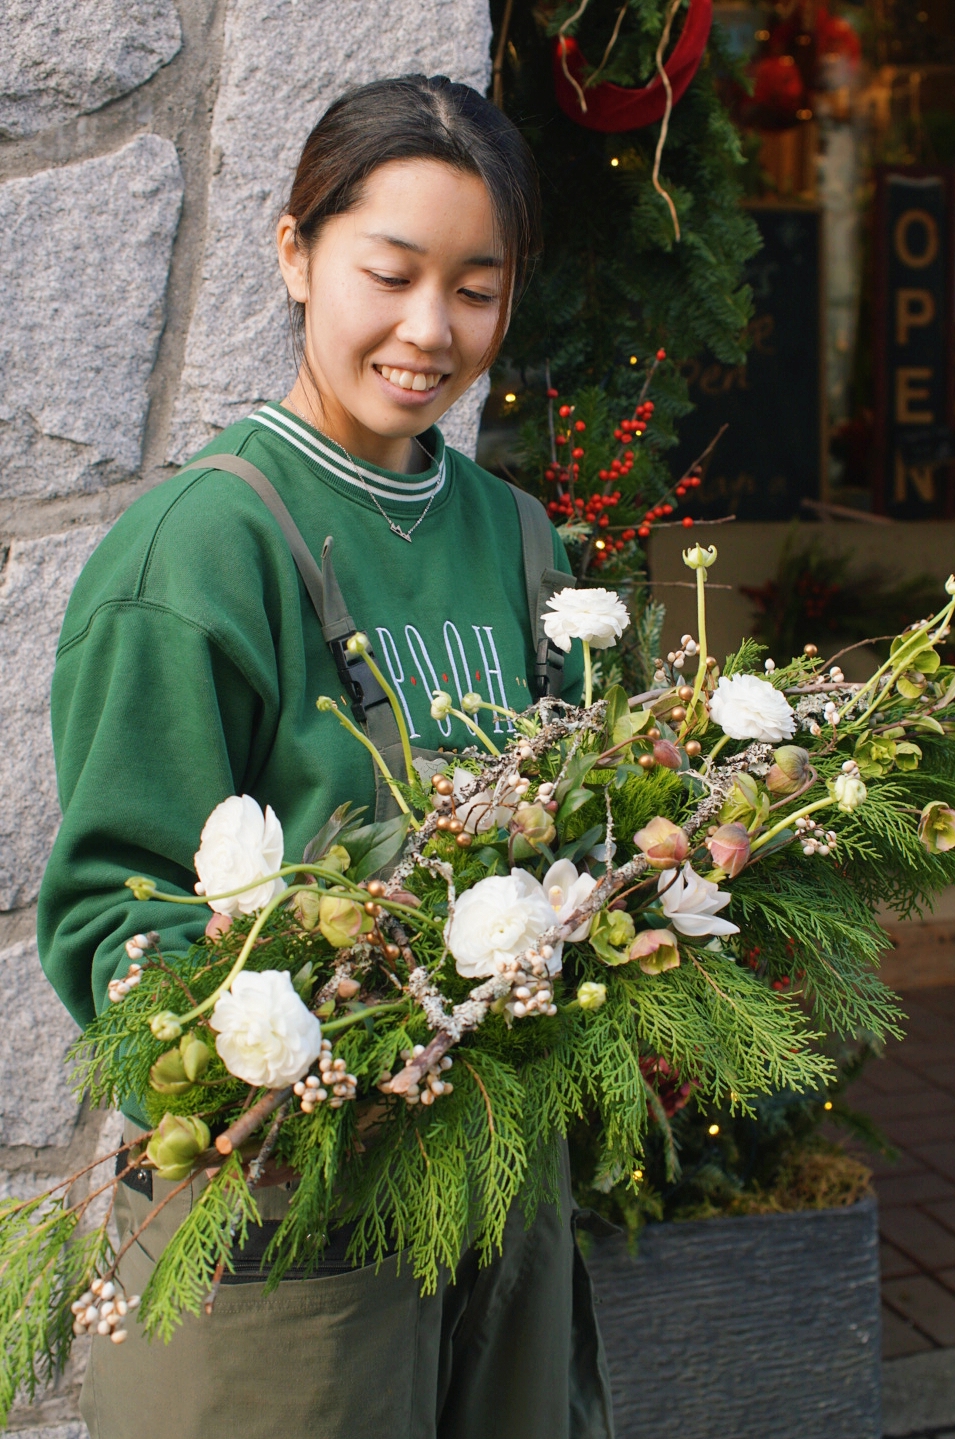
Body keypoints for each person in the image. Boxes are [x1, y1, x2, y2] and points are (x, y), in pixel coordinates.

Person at [38, 75, 611, 1439]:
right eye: (392, 273)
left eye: (478, 288)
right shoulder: (200, 555)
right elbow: (110, 920)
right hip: (289, 1230)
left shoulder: (520, 541)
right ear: (297, 254)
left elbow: (588, 830)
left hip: (496, 1206)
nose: (431, 330)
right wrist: (288, 1040)